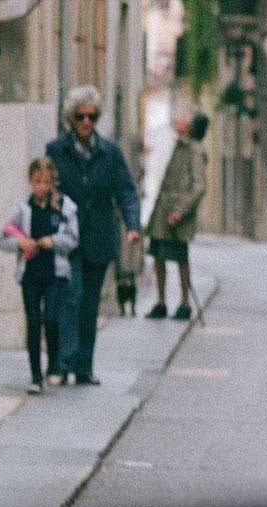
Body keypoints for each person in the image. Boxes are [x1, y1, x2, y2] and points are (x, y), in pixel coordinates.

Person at [46, 85, 142, 385]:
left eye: (92, 116)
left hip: (99, 238)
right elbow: (46, 188)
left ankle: (84, 367)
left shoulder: (110, 152)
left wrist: (132, 226)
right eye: (80, 116)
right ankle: (64, 362)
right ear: (70, 119)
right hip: (68, 238)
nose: (86, 122)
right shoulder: (56, 151)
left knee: (90, 304)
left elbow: (126, 191)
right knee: (71, 298)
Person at [0, 158, 79, 394]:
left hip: (55, 273)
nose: (41, 187)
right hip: (30, 273)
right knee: (33, 322)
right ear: (30, 182)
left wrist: (52, 241)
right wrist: (20, 243)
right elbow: (2, 239)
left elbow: (73, 239)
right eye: (37, 182)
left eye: (46, 182)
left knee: (51, 318)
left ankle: (53, 363)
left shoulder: (64, 207)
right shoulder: (22, 209)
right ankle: (35, 375)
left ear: (52, 182)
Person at [145, 110, 208, 321]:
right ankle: (161, 302)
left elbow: (199, 186)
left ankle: (184, 303)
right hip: (162, 209)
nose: (177, 120)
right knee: (158, 255)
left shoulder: (194, 150)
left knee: (181, 258)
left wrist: (180, 210)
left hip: (176, 213)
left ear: (189, 126)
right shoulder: (173, 144)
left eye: (183, 118)